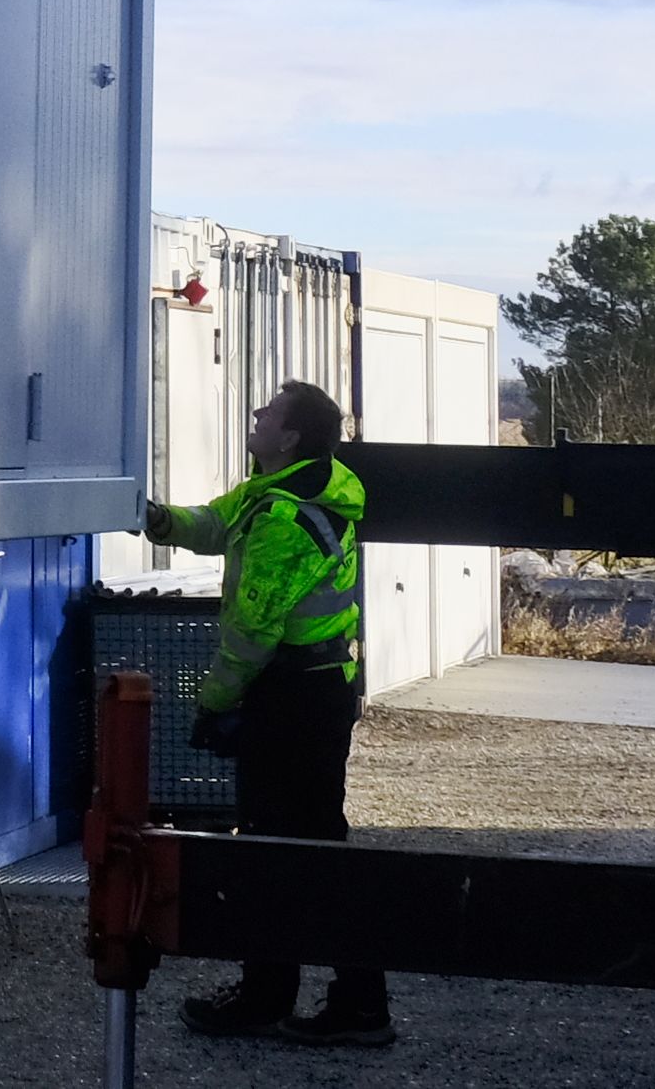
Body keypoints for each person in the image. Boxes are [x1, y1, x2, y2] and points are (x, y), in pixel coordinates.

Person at [142, 376, 390, 1048]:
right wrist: (157, 518)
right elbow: (215, 523)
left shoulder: (287, 517)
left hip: (295, 698)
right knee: (302, 848)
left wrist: (212, 705)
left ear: (289, 436)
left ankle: (290, 999)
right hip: (308, 691)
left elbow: (252, 630)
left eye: (268, 411)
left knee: (282, 851)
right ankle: (335, 1001)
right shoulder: (279, 490)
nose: (255, 414)